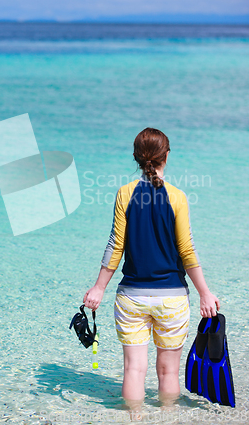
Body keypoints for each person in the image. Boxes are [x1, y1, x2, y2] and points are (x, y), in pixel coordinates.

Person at [83, 127, 220, 411]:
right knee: (168, 372)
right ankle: (167, 418)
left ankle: (133, 418)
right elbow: (187, 250)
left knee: (134, 370)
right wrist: (205, 293)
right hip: (172, 299)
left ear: (135, 157)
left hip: (131, 297)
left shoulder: (125, 193)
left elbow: (115, 245)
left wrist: (99, 287)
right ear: (166, 156)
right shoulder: (177, 197)